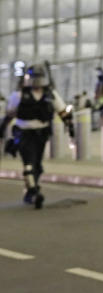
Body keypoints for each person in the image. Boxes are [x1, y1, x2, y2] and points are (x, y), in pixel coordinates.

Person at [0, 65, 74, 208]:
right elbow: (9, 114)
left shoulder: (49, 94)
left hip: (41, 134)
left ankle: (29, 189)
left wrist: (70, 127)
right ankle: (34, 192)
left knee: (37, 165)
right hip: (23, 133)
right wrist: (1, 131)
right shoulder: (19, 95)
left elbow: (62, 111)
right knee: (29, 163)